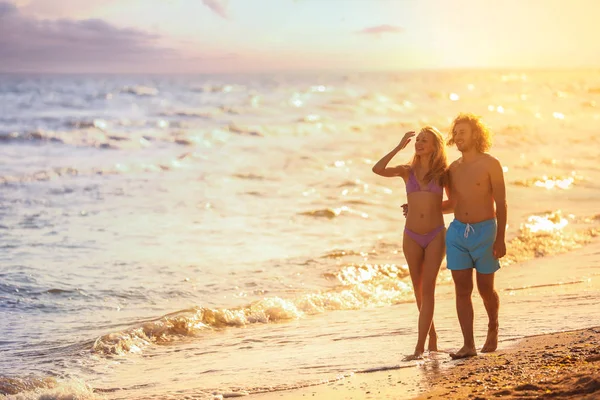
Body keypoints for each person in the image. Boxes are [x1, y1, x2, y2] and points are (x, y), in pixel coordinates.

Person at [403, 113, 507, 359]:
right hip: (458, 232)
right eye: (456, 132)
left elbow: (501, 204)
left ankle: (493, 326)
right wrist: (420, 207)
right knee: (462, 289)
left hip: (485, 231)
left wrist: (500, 237)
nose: (458, 137)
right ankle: (468, 345)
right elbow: (450, 203)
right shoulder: (451, 170)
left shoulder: (491, 164)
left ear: (476, 135)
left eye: (463, 132)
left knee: (485, 288)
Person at [372, 126, 449, 360]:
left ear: (436, 146)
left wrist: (425, 207)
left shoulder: (443, 173)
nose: (419, 143)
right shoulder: (407, 171)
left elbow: (454, 203)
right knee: (418, 290)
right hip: (411, 236)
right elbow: (378, 169)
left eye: (425, 140)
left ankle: (419, 348)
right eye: (418, 140)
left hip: (436, 234)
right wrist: (398, 146)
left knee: (428, 289)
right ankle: (432, 336)